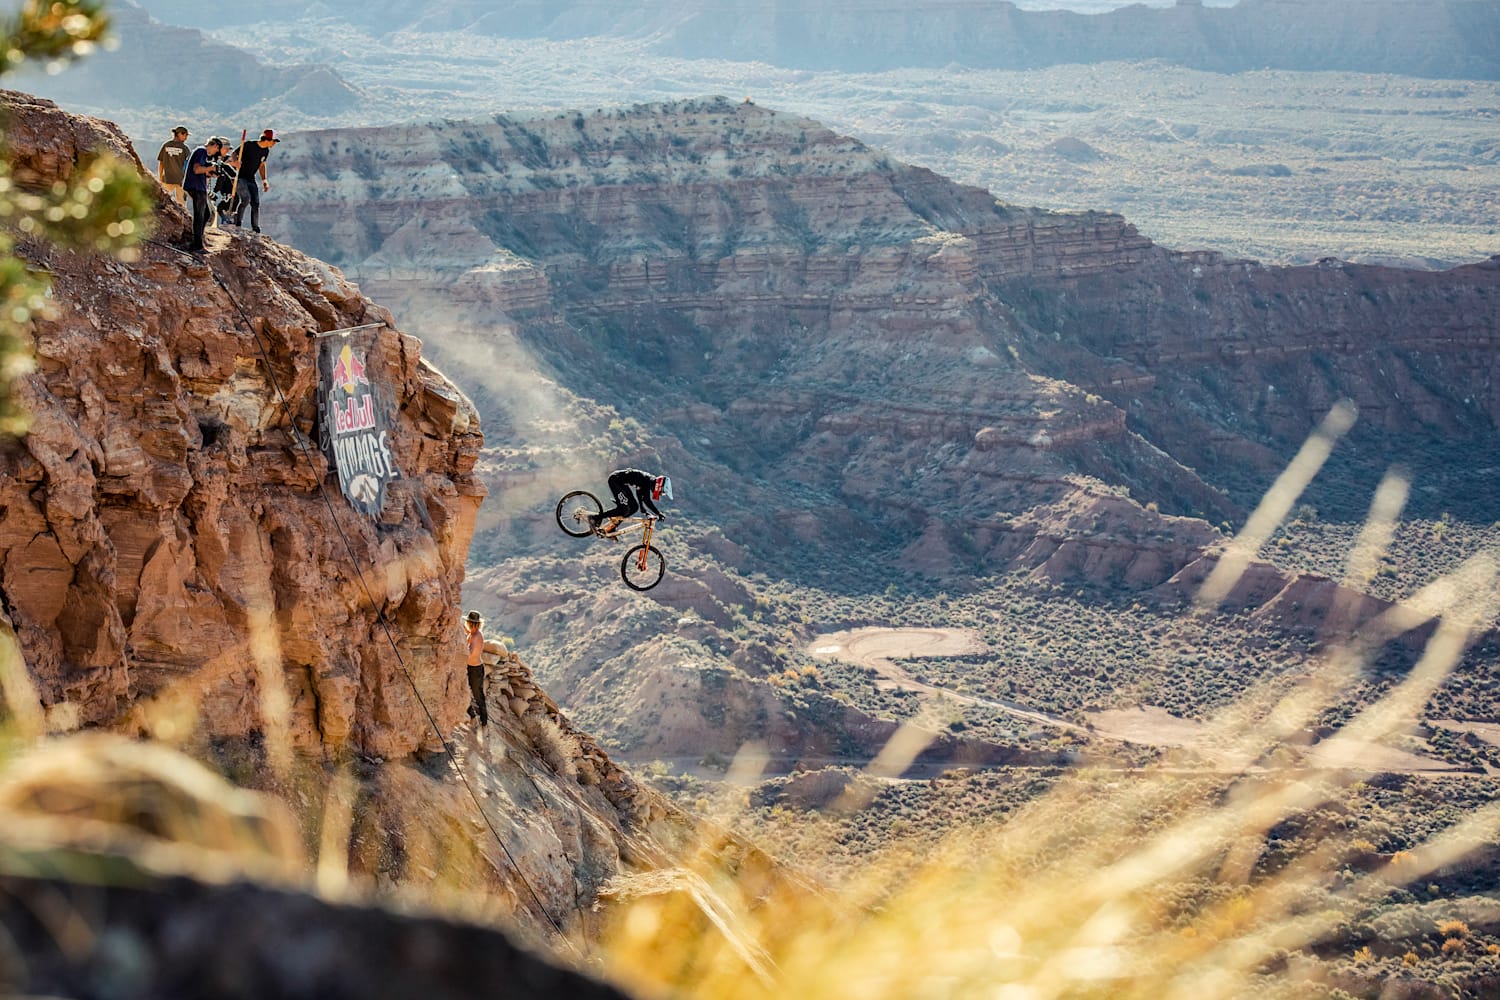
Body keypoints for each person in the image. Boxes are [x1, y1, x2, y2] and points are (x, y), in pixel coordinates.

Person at [588, 468, 673, 534]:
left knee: (634, 508)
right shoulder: (648, 482)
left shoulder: (649, 481)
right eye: (662, 492)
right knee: (624, 509)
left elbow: (639, 492)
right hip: (615, 481)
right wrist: (658, 513)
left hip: (622, 484)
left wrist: (642, 508)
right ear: (659, 486)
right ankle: (594, 518)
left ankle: (612, 527)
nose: (661, 494)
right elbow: (647, 500)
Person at [182, 136, 223, 254]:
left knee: (206, 213)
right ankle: (197, 246)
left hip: (198, 186)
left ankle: (198, 239)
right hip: (195, 187)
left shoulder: (201, 153)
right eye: (216, 149)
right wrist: (211, 167)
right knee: (200, 215)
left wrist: (210, 173)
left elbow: (201, 171)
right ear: (214, 146)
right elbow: (196, 170)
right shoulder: (202, 151)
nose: (215, 152)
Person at [233, 128, 279, 233]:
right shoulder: (249, 145)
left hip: (251, 178)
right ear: (267, 139)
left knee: (256, 202)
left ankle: (255, 227)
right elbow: (235, 153)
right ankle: (238, 221)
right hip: (240, 177)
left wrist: (264, 180)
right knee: (246, 199)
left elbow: (262, 165)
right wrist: (235, 162)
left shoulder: (265, 151)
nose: (274, 144)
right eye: (274, 141)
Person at [462, 609, 487, 728]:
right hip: (470, 668)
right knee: (464, 691)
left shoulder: (476, 636)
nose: (472, 625)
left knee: (478, 696)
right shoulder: (472, 634)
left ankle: (484, 723)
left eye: (473, 624)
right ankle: (472, 716)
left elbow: (470, 653)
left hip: (476, 670)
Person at [155, 125, 191, 206]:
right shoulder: (185, 148)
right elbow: (189, 165)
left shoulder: (166, 145)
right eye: (185, 135)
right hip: (181, 181)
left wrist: (160, 178)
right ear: (179, 134)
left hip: (167, 179)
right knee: (182, 205)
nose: (186, 138)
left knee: (164, 203)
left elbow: (161, 163)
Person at [209, 146, 240, 228]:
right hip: (223, 190)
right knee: (220, 207)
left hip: (230, 190)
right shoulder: (215, 160)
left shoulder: (226, 161)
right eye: (225, 149)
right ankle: (225, 222)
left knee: (227, 206)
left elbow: (233, 174)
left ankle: (229, 222)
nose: (227, 151)